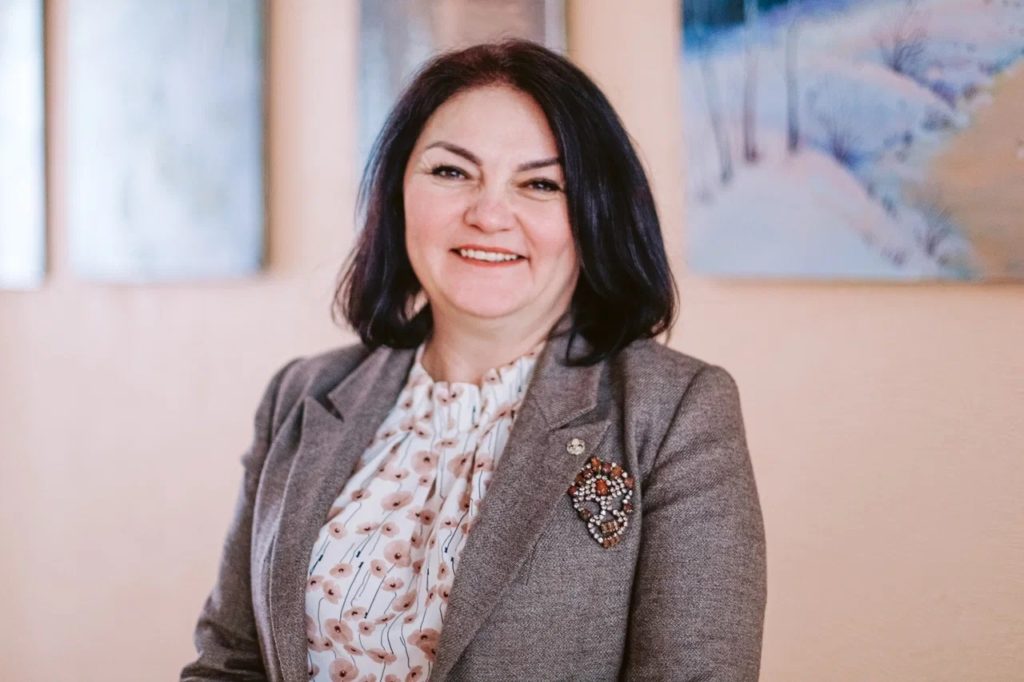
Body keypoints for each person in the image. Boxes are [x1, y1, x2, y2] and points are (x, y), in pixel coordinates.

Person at [182, 38, 766, 682]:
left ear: (594, 212)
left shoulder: (677, 411)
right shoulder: (301, 393)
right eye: (451, 172)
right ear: (398, 190)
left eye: (540, 183)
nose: (489, 214)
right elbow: (229, 663)